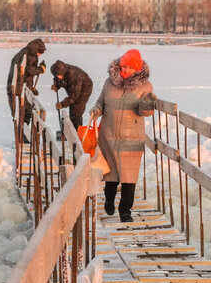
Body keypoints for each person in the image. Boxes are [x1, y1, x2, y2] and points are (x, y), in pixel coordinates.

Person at [91, 49, 156, 223]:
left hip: (132, 136)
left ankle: (125, 211)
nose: (125, 71)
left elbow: (145, 112)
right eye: (123, 67)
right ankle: (109, 199)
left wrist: (147, 105)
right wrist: (96, 110)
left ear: (137, 69)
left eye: (129, 68)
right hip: (109, 133)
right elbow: (101, 102)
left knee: (129, 175)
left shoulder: (145, 86)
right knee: (111, 172)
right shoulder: (109, 82)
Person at [6, 38, 46, 117]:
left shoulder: (24, 51)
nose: (40, 54)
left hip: (13, 84)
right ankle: (24, 126)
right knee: (26, 112)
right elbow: (31, 71)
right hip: (21, 86)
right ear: (37, 49)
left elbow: (25, 71)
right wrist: (41, 68)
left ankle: (21, 125)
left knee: (18, 113)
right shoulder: (32, 54)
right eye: (41, 52)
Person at [49, 60, 94, 130]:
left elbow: (74, 96)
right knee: (72, 109)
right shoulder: (61, 71)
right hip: (74, 89)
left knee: (76, 110)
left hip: (85, 89)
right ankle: (72, 130)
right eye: (57, 76)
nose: (59, 77)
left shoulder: (74, 76)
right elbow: (59, 79)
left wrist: (62, 104)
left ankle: (77, 132)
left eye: (59, 75)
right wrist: (57, 85)